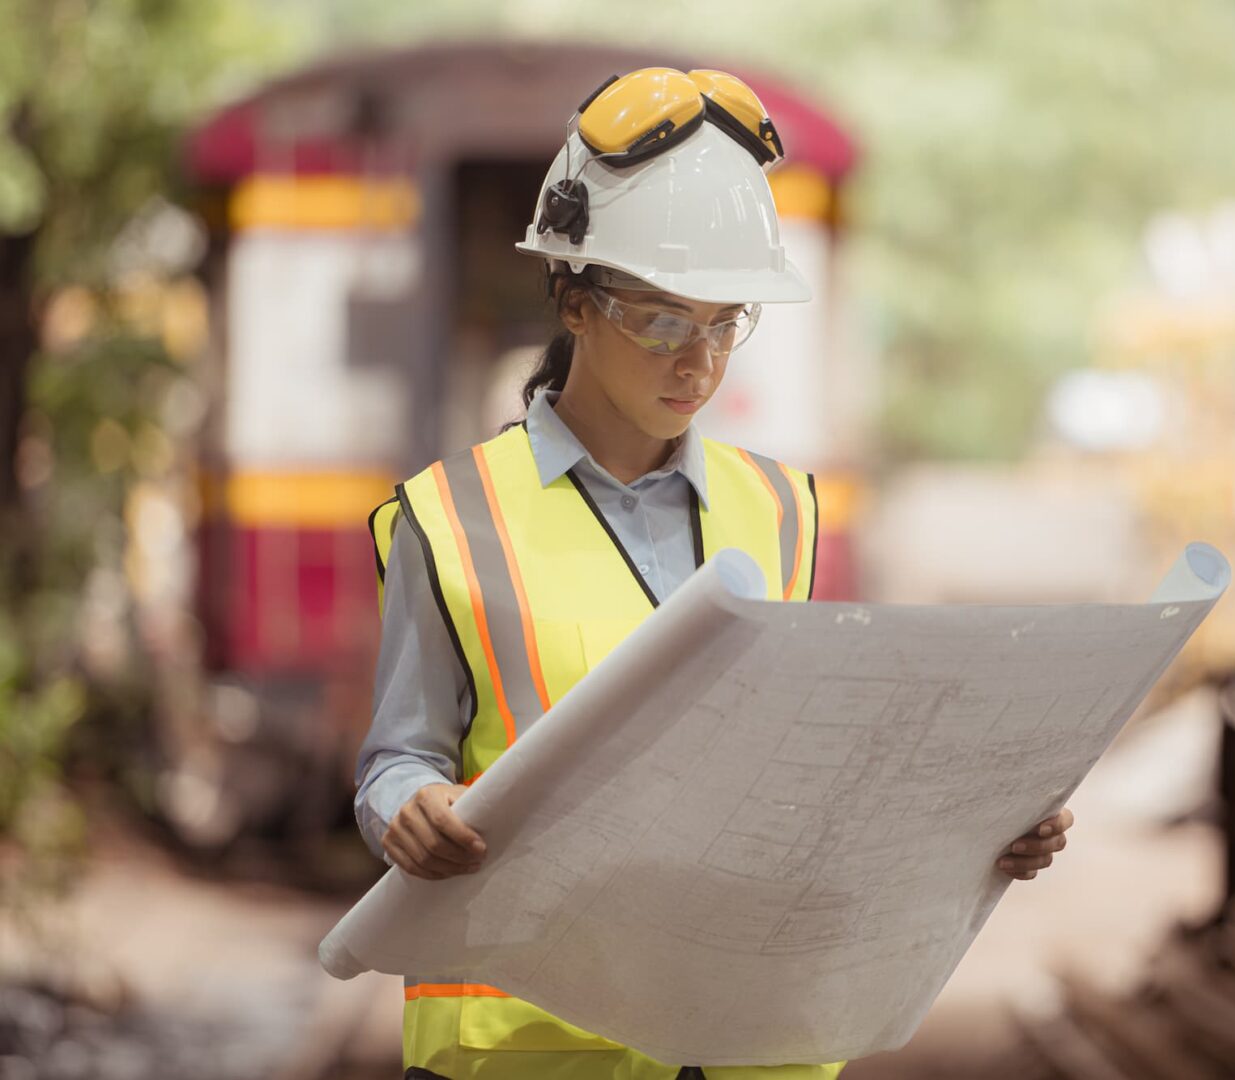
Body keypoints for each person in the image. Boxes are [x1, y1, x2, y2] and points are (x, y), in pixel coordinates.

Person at [352, 67, 1075, 1080]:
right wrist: (406, 814)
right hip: (538, 1045)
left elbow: (820, 776)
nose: (696, 363)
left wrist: (973, 828)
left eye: (724, 323)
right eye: (659, 320)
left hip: (751, 1043)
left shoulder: (781, 510)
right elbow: (397, 758)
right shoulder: (454, 518)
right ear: (574, 298)